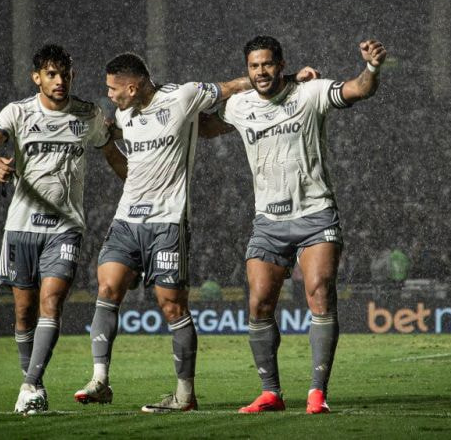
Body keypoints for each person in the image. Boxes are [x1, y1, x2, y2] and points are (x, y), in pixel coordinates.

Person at [73, 52, 316, 413]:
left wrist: (291, 79)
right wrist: (109, 146)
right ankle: (99, 381)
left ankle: (185, 395)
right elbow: (131, 171)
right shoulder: (124, 115)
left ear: (133, 87)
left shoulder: (182, 96)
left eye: (113, 88)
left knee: (172, 305)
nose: (109, 94)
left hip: (167, 223)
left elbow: (233, 86)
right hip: (126, 221)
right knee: (107, 289)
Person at [199, 35, 387, 414]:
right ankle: (271, 393)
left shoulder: (309, 93)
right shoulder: (239, 105)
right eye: (254, 66)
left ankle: (317, 393)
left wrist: (371, 67)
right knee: (259, 304)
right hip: (268, 221)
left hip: (315, 214)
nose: (261, 71)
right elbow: (203, 128)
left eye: (267, 64)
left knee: (319, 292)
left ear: (281, 64)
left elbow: (358, 89)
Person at [0, 44, 126, 414]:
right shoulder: (18, 112)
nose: (59, 80)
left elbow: (113, 154)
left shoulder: (88, 114)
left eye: (65, 73)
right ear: (36, 77)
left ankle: (29, 385)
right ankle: (34, 384)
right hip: (21, 226)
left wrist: (143, 183)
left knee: (51, 302)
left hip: (65, 228)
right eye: (51, 74)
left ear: (73, 75)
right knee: (23, 312)